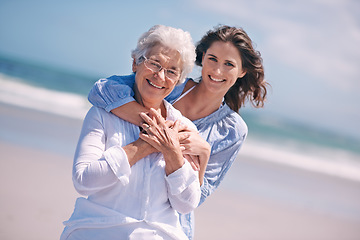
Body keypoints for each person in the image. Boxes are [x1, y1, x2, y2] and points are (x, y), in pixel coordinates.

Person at [88, 25, 269, 239]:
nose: (217, 71)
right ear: (202, 58)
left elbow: (196, 198)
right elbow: (103, 90)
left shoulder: (233, 130)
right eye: (212, 59)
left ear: (242, 71)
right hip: (123, 212)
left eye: (229, 64)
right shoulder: (170, 84)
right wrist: (164, 132)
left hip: (171, 228)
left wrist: (205, 153)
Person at [60, 25, 203, 240]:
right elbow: (83, 181)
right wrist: (146, 145)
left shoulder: (183, 128)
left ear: (178, 80)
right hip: (99, 231)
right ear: (135, 62)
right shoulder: (102, 114)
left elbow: (186, 204)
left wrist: (172, 153)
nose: (160, 76)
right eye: (154, 63)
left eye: (172, 71)